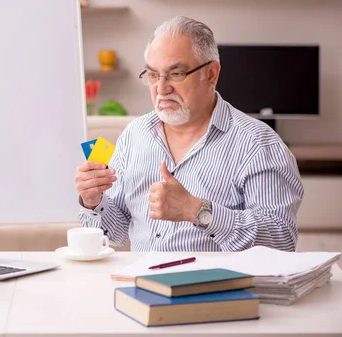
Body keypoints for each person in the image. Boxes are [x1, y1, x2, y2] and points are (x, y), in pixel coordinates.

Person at [75, 15, 303, 252]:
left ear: (211, 74)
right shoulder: (135, 135)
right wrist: (94, 202)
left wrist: (197, 211)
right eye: (153, 75)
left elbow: (281, 241)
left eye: (176, 74)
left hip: (216, 287)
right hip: (141, 282)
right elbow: (118, 234)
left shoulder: (258, 144)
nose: (161, 89)